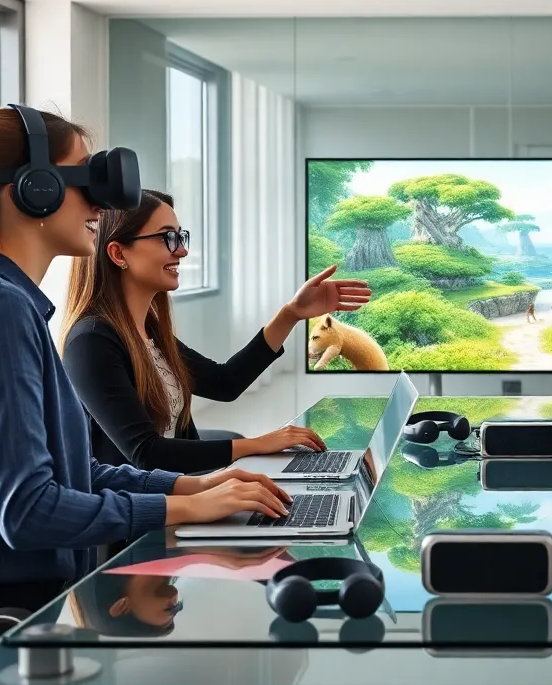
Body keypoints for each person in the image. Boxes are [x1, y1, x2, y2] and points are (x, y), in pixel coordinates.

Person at [0, 99, 293, 622]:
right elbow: (27, 510)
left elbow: (73, 473)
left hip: (2, 604)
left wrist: (194, 486)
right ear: (34, 189)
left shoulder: (10, 304)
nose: (99, 206)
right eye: (86, 182)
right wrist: (184, 507)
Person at [61, 189, 371, 473]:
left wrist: (292, 313)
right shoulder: (91, 342)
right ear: (118, 254)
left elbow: (224, 383)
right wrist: (257, 445)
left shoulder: (148, 331)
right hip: (137, 522)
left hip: (179, 495)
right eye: (167, 238)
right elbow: (146, 452)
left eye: (181, 237)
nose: (181, 251)